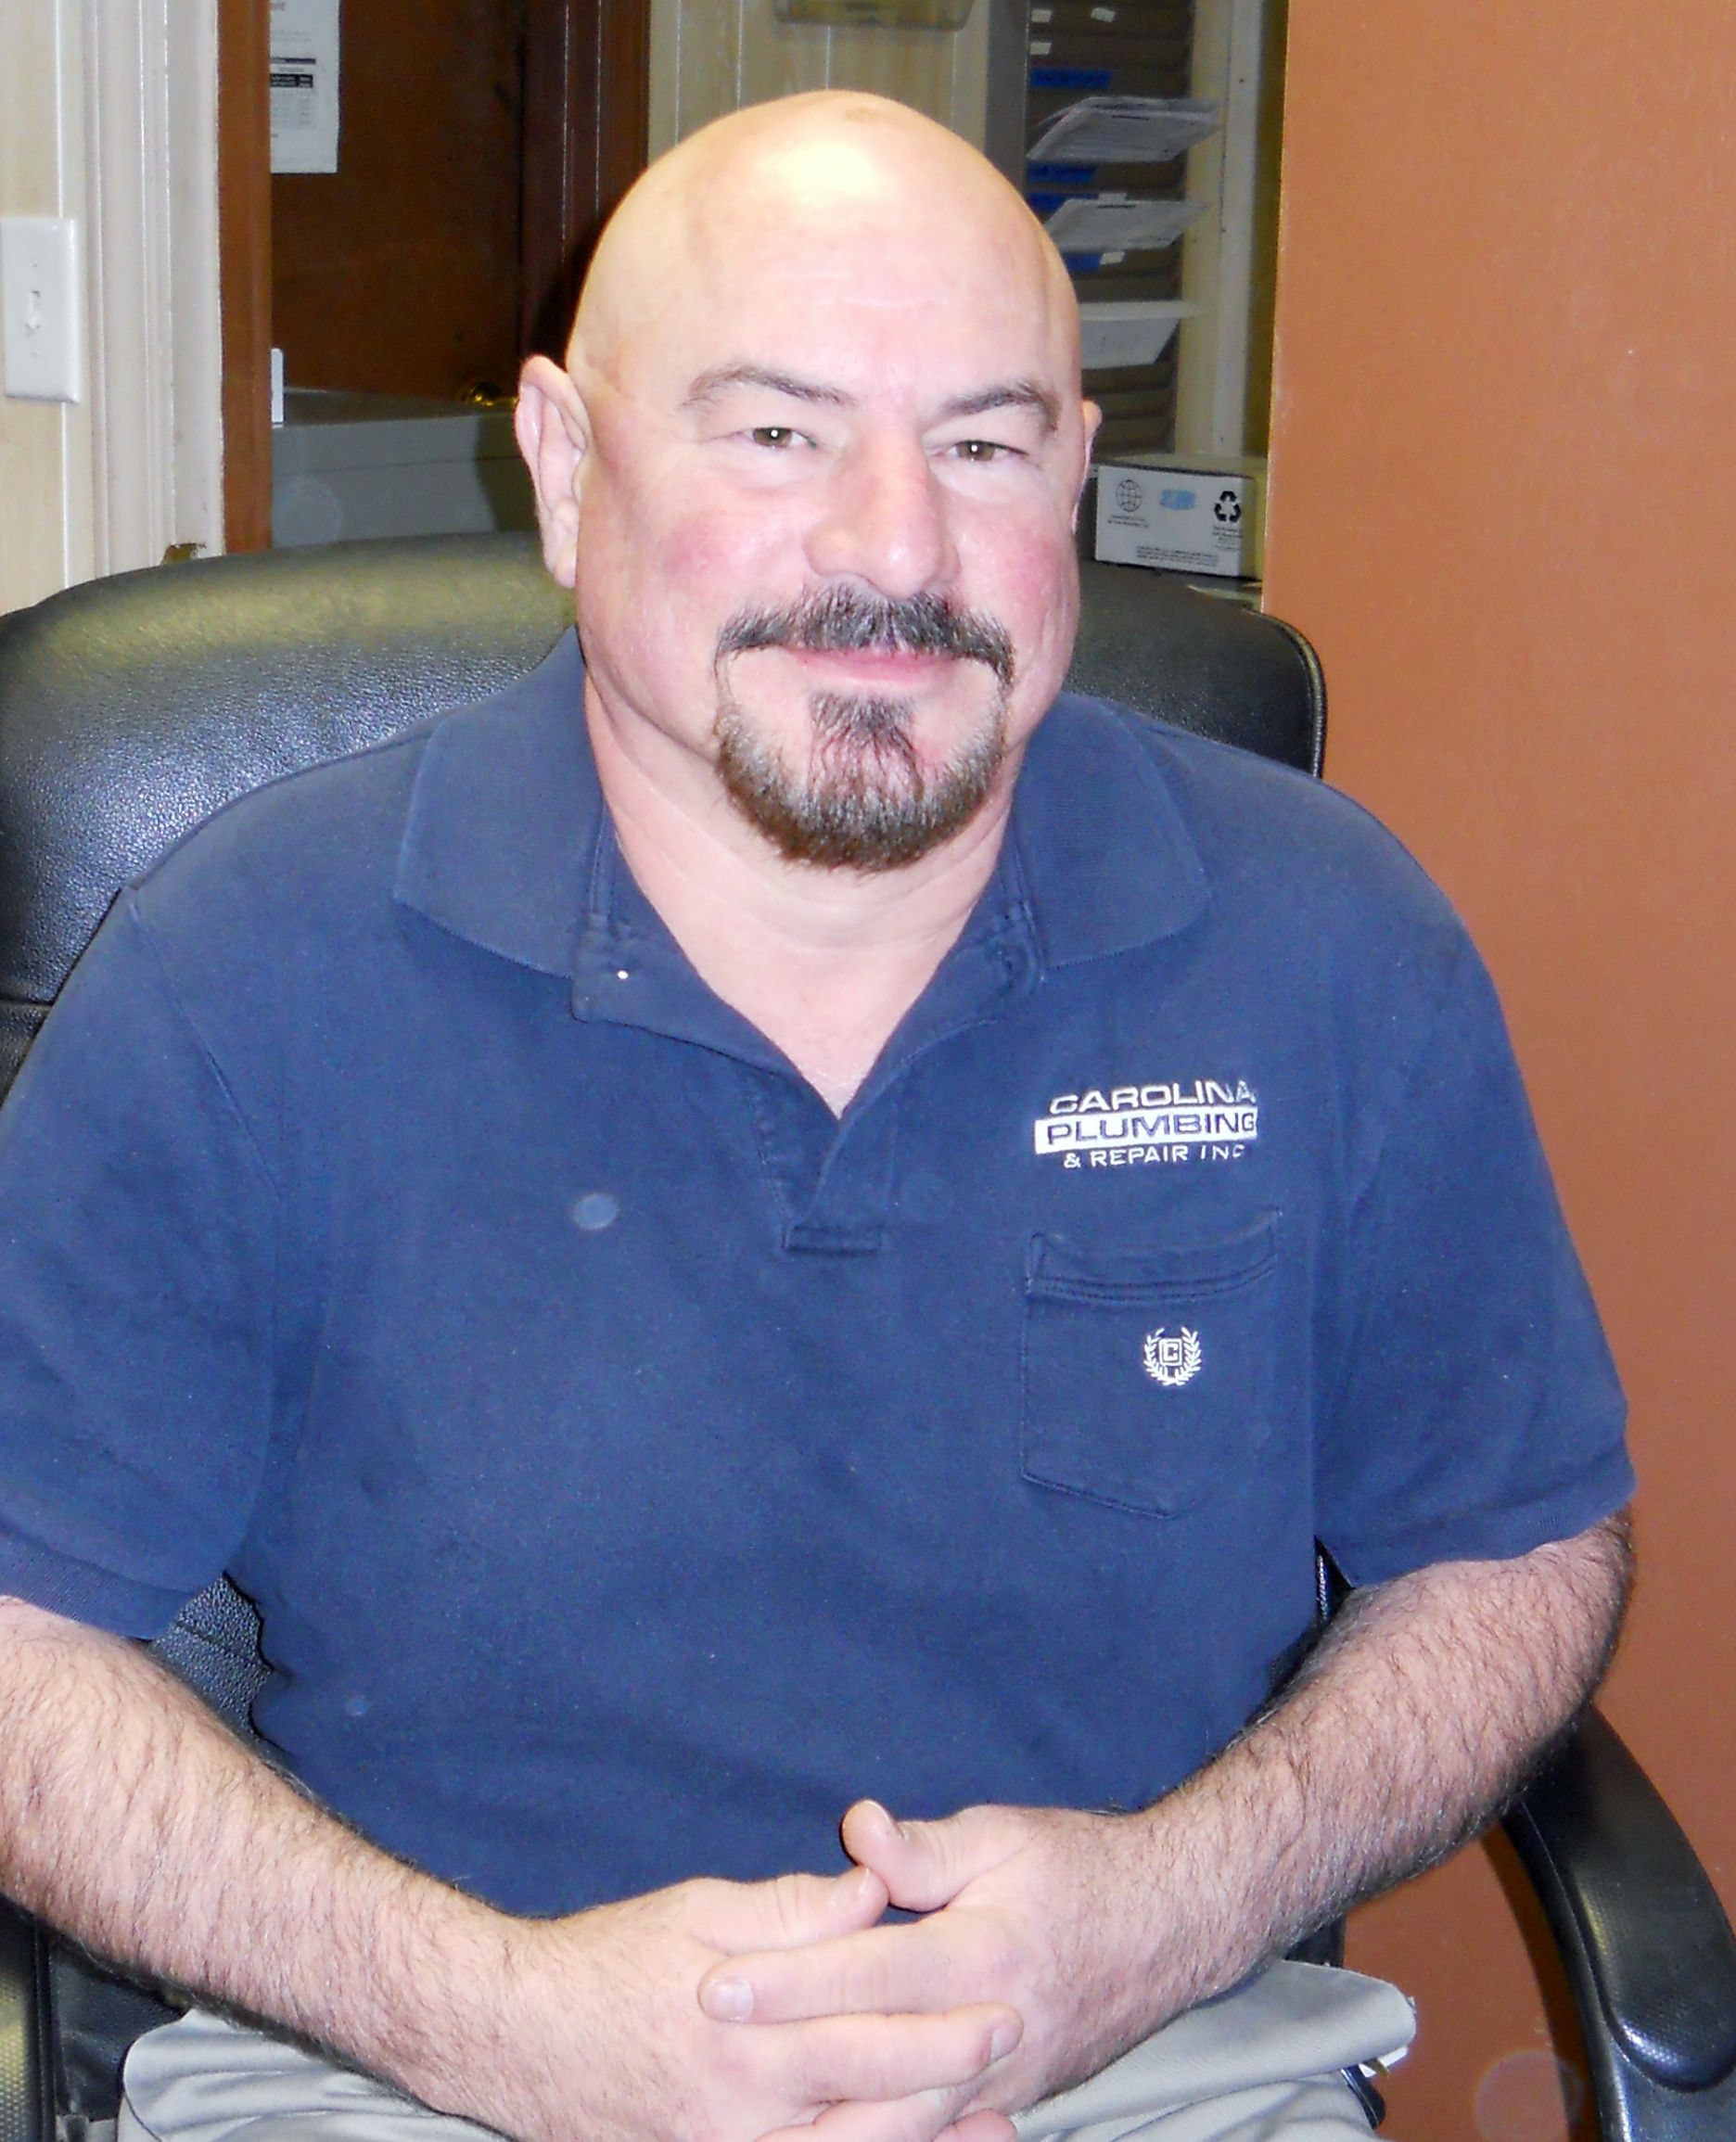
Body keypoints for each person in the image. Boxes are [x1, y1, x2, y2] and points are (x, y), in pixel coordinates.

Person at [0, 90, 1631, 2142]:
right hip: (413, 2066)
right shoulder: (245, 968)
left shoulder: (1324, 938)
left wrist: (1163, 1913)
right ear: (571, 472)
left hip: (1146, 2064)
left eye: (984, 442)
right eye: (777, 434)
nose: (895, 547)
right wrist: (498, 2017)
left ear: (1077, 479)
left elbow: (1517, 1547)